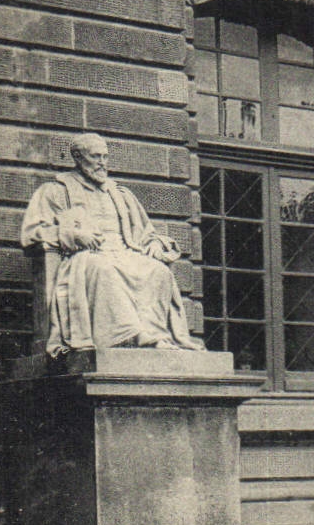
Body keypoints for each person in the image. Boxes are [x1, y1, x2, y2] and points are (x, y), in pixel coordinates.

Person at [20, 133, 202, 357]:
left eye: (105, 157)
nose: (102, 163)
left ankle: (154, 335)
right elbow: (32, 234)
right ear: (77, 157)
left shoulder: (120, 194)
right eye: (95, 156)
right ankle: (131, 335)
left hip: (125, 253)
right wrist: (73, 235)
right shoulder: (56, 191)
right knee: (103, 269)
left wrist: (154, 244)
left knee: (159, 272)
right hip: (86, 256)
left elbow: (145, 233)